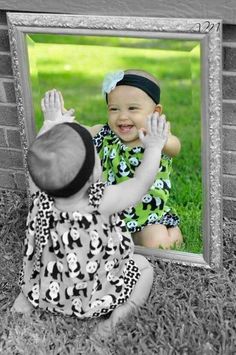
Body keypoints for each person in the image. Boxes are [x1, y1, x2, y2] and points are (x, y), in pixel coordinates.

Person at [12, 90, 169, 337]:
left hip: (45, 286)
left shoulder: (40, 193)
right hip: (93, 295)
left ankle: (25, 300)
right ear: (94, 173)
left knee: (35, 270)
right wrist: (154, 147)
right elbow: (140, 183)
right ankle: (115, 319)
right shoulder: (100, 201)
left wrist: (52, 121)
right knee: (144, 268)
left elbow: (40, 158)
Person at [58, 69, 183, 249]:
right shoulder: (104, 133)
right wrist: (65, 119)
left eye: (132, 108)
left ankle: (172, 232)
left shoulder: (156, 137)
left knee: (155, 243)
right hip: (110, 211)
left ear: (155, 112)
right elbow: (81, 133)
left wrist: (159, 142)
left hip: (147, 215)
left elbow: (175, 147)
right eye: (114, 109)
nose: (122, 116)